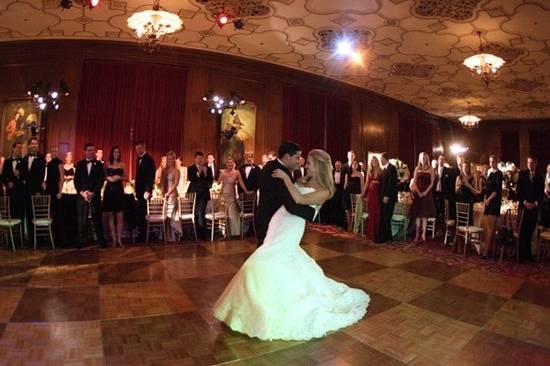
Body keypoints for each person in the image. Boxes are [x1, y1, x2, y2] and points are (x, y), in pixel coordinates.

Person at [214, 149, 369, 341]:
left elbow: (299, 199)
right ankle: (266, 302)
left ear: (319, 165)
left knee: (258, 263)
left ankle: (262, 308)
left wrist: (285, 178)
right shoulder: (302, 180)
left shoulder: (325, 191)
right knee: (274, 261)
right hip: (279, 221)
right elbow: (288, 197)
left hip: (292, 227)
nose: (305, 165)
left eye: (310, 163)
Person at [255, 142, 316, 246]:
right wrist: (311, 212)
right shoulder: (276, 171)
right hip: (270, 221)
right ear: (287, 157)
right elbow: (289, 203)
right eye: (297, 158)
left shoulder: (276, 167)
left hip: (273, 219)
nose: (299, 162)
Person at [74, 143, 106, 248]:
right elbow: (76, 181)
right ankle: (80, 242)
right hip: (82, 197)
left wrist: (93, 193)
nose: (90, 152)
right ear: (85, 151)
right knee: (81, 221)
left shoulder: (99, 164)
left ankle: (101, 242)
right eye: (88, 150)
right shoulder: (79, 164)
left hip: (94, 196)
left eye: (92, 150)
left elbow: (100, 181)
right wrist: (82, 193)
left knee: (97, 219)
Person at [517, 156, 544, 262]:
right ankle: (521, 255)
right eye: (528, 163)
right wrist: (525, 202)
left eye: (532, 163)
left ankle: (528, 255)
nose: (529, 165)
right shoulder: (523, 174)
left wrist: (535, 204)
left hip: (534, 208)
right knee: (522, 231)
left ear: (536, 163)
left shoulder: (539, 177)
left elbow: (541, 194)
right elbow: (519, 191)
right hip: (524, 207)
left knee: (529, 232)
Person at [218, 157, 249, 237]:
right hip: (223, 195)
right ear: (226, 164)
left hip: (232, 195)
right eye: (228, 163)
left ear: (234, 164)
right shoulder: (222, 172)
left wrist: (246, 191)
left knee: (233, 214)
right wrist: (222, 178)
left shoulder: (237, 172)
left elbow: (241, 183)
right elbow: (218, 184)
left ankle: (234, 233)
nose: (230, 164)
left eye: (231, 162)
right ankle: (224, 232)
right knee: (224, 214)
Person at [103, 145, 127, 248]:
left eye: (117, 152)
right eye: (114, 152)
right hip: (109, 190)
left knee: (120, 216)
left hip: (119, 190)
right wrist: (109, 178)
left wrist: (119, 177)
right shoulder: (107, 163)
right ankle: (114, 240)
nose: (116, 154)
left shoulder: (122, 164)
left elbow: (126, 177)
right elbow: (103, 176)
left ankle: (119, 240)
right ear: (111, 153)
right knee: (111, 216)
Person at [409, 152, 436, 243]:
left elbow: (432, 183)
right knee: (417, 215)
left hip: (427, 193)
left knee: (424, 215)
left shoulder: (431, 169)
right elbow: (414, 182)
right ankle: (417, 233)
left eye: (425, 158)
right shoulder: (417, 168)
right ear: (419, 159)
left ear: (427, 159)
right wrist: (418, 192)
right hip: (418, 192)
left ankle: (423, 234)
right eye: (421, 158)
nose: (423, 159)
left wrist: (425, 192)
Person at [480, 155, 503, 258]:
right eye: (490, 161)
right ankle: (488, 249)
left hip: (494, 202)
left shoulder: (499, 173)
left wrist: (488, 200)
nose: (491, 163)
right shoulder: (489, 172)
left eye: (493, 161)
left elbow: (497, 191)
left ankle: (486, 252)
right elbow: (487, 188)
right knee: (488, 227)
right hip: (488, 201)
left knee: (491, 228)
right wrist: (485, 199)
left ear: (496, 162)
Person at [188, 151, 213, 240]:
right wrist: (198, 172)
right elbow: (191, 179)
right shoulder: (191, 168)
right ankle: (195, 233)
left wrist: (206, 174)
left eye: (201, 158)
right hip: (194, 194)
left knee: (201, 212)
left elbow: (210, 182)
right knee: (195, 213)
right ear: (195, 159)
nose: (200, 160)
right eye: (198, 158)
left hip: (204, 194)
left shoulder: (208, 169)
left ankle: (202, 235)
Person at [134, 141, 156, 242]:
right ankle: (142, 234)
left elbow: (151, 177)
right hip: (139, 191)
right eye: (136, 148)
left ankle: (146, 235)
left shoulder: (149, 159)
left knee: (144, 214)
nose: (138, 150)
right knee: (139, 213)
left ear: (144, 147)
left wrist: (148, 190)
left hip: (145, 192)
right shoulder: (138, 159)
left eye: (139, 148)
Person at [377, 152, 398, 243]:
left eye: (381, 159)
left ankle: (384, 237)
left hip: (389, 198)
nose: (380, 161)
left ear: (385, 159)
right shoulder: (384, 169)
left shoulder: (392, 168)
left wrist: (386, 196)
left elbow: (391, 184)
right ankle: (388, 236)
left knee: (386, 217)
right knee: (385, 216)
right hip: (383, 197)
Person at [2, 142, 25, 222]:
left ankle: (20, 233)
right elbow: (3, 177)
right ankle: (11, 233)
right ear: (13, 148)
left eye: (21, 148)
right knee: (11, 214)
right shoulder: (7, 161)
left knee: (20, 214)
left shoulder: (23, 161)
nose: (19, 150)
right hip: (10, 193)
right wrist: (8, 183)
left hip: (20, 193)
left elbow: (26, 177)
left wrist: (19, 175)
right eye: (18, 147)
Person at [160, 151, 181, 242]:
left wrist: (168, 193)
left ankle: (173, 237)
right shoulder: (164, 170)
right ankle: (166, 236)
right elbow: (162, 182)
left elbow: (176, 183)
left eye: (172, 158)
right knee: (166, 217)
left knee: (171, 216)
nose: (170, 160)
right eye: (168, 158)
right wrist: (162, 192)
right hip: (165, 195)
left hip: (172, 195)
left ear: (174, 159)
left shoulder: (177, 171)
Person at [58, 152, 77, 245]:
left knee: (72, 212)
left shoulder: (74, 167)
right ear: (65, 158)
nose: (69, 158)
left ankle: (72, 234)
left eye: (70, 157)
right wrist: (64, 177)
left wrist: (71, 176)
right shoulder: (63, 166)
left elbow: (77, 177)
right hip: (64, 188)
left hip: (72, 188)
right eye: (67, 157)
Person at [364, 156, 382, 241]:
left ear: (378, 161)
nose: (373, 162)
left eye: (375, 160)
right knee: (371, 213)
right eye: (372, 161)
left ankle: (376, 233)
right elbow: (367, 183)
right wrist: (363, 193)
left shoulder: (381, 171)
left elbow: (382, 182)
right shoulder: (369, 171)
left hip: (377, 194)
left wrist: (377, 182)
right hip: (370, 194)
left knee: (377, 213)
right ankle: (370, 234)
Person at [343, 160, 364, 230]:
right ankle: (349, 226)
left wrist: (362, 194)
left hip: (356, 193)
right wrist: (344, 193)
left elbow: (362, 185)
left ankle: (355, 226)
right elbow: (345, 185)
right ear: (351, 165)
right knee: (348, 210)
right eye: (353, 164)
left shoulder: (360, 174)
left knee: (355, 209)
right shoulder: (347, 174)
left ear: (357, 166)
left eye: (356, 164)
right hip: (348, 193)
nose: (354, 165)